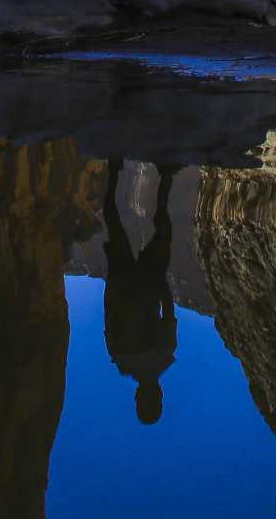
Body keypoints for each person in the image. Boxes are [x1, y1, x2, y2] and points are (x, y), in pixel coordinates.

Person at [101, 159, 180, 425]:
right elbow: (110, 313)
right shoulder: (122, 357)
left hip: (144, 283)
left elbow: (168, 309)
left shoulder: (163, 354)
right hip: (131, 284)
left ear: (158, 395)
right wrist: (112, 280)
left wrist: (161, 280)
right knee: (113, 219)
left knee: (161, 228)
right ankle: (115, 170)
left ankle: (165, 176)